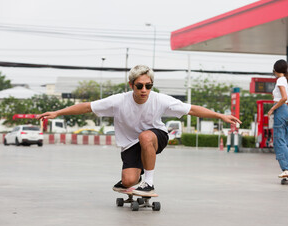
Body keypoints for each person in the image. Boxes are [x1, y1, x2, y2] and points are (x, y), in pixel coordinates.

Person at [37, 65, 241, 196]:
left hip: (156, 137)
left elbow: (192, 109)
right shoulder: (118, 101)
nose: (144, 90)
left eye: (148, 85)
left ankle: (149, 182)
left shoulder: (160, 99)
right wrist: (57, 112)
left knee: (145, 136)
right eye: (139, 85)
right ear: (131, 85)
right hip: (130, 144)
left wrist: (220, 116)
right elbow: (87, 106)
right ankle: (138, 177)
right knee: (127, 182)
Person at [267, 59, 288, 178]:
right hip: (286, 111)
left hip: (280, 111)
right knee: (284, 142)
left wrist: (272, 108)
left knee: (279, 141)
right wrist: (279, 98)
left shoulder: (280, 80)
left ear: (275, 70)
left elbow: (284, 97)